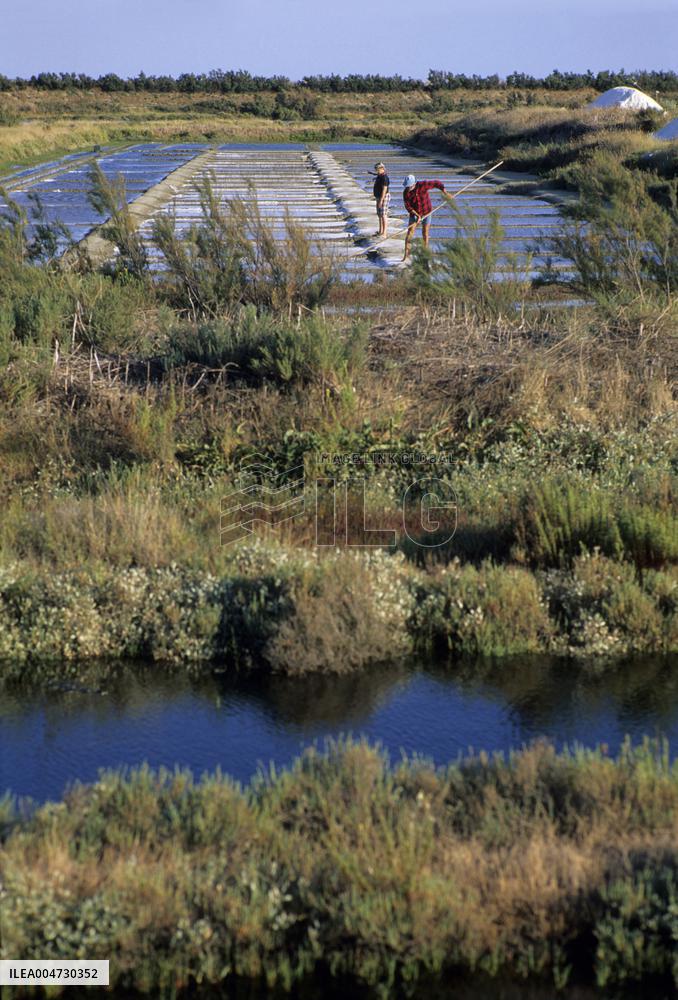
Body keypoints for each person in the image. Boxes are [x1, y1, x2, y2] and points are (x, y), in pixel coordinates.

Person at [402, 174, 446, 261]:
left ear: (414, 184)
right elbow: (408, 207)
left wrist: (445, 192)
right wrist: (417, 216)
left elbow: (436, 183)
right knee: (410, 233)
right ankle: (406, 255)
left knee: (425, 233)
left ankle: (425, 253)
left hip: (427, 212)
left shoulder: (422, 185)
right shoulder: (406, 192)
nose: (408, 188)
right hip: (414, 214)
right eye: (407, 186)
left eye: (409, 186)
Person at [372, 162, 390, 237]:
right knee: (379, 214)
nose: (376, 171)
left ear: (382, 169)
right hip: (378, 196)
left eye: (377, 169)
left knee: (383, 215)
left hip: (384, 197)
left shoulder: (384, 177)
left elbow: (384, 190)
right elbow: (376, 175)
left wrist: (381, 200)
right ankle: (380, 231)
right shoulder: (380, 175)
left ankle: (384, 233)